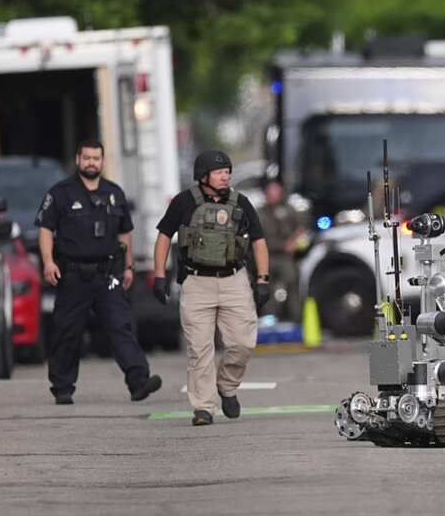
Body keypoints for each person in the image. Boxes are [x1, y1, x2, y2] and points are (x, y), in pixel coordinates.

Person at [35, 139, 162, 405]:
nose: (92, 163)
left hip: (107, 275)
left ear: (103, 161)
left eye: (96, 158)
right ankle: (62, 387)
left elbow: (124, 233)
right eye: (87, 158)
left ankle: (138, 381)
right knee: (66, 332)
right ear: (78, 160)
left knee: (120, 326)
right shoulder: (61, 193)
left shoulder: (114, 193)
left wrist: (129, 266)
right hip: (73, 275)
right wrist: (48, 262)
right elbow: (46, 229)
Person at [152, 150, 271, 426]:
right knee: (199, 348)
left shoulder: (241, 202)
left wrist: (263, 279)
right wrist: (159, 276)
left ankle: (227, 386)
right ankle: (203, 407)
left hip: (234, 280)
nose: (225, 176)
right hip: (196, 283)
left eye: (227, 172)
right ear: (203, 176)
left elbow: (258, 241)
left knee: (242, 343)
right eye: (219, 172)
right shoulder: (184, 202)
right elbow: (163, 237)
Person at [256, 179, 309, 322]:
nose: (274, 194)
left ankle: (295, 319)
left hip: (286, 257)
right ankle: (269, 319)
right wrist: (282, 245)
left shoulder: (289, 210)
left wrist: (295, 242)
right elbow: (259, 238)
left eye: (277, 190)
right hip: (267, 257)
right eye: (271, 191)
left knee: (291, 283)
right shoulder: (259, 214)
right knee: (269, 289)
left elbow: (301, 228)